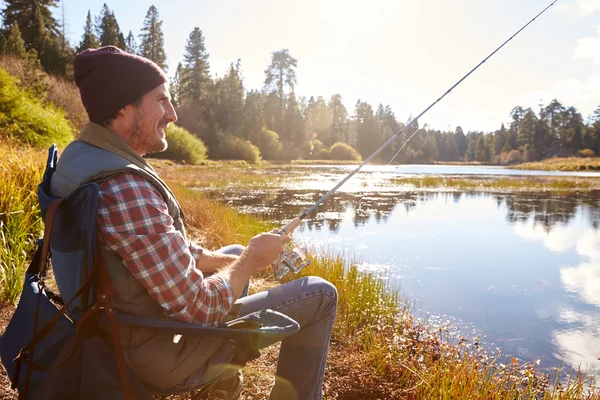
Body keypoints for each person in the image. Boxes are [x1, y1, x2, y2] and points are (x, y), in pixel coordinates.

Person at [49, 46, 337, 400]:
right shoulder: (125, 188)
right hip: (153, 354)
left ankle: (220, 385)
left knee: (230, 252)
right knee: (322, 294)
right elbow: (199, 308)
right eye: (161, 100)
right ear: (123, 110)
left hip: (114, 327)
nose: (172, 113)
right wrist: (250, 261)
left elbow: (155, 247)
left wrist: (232, 259)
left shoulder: (83, 160)